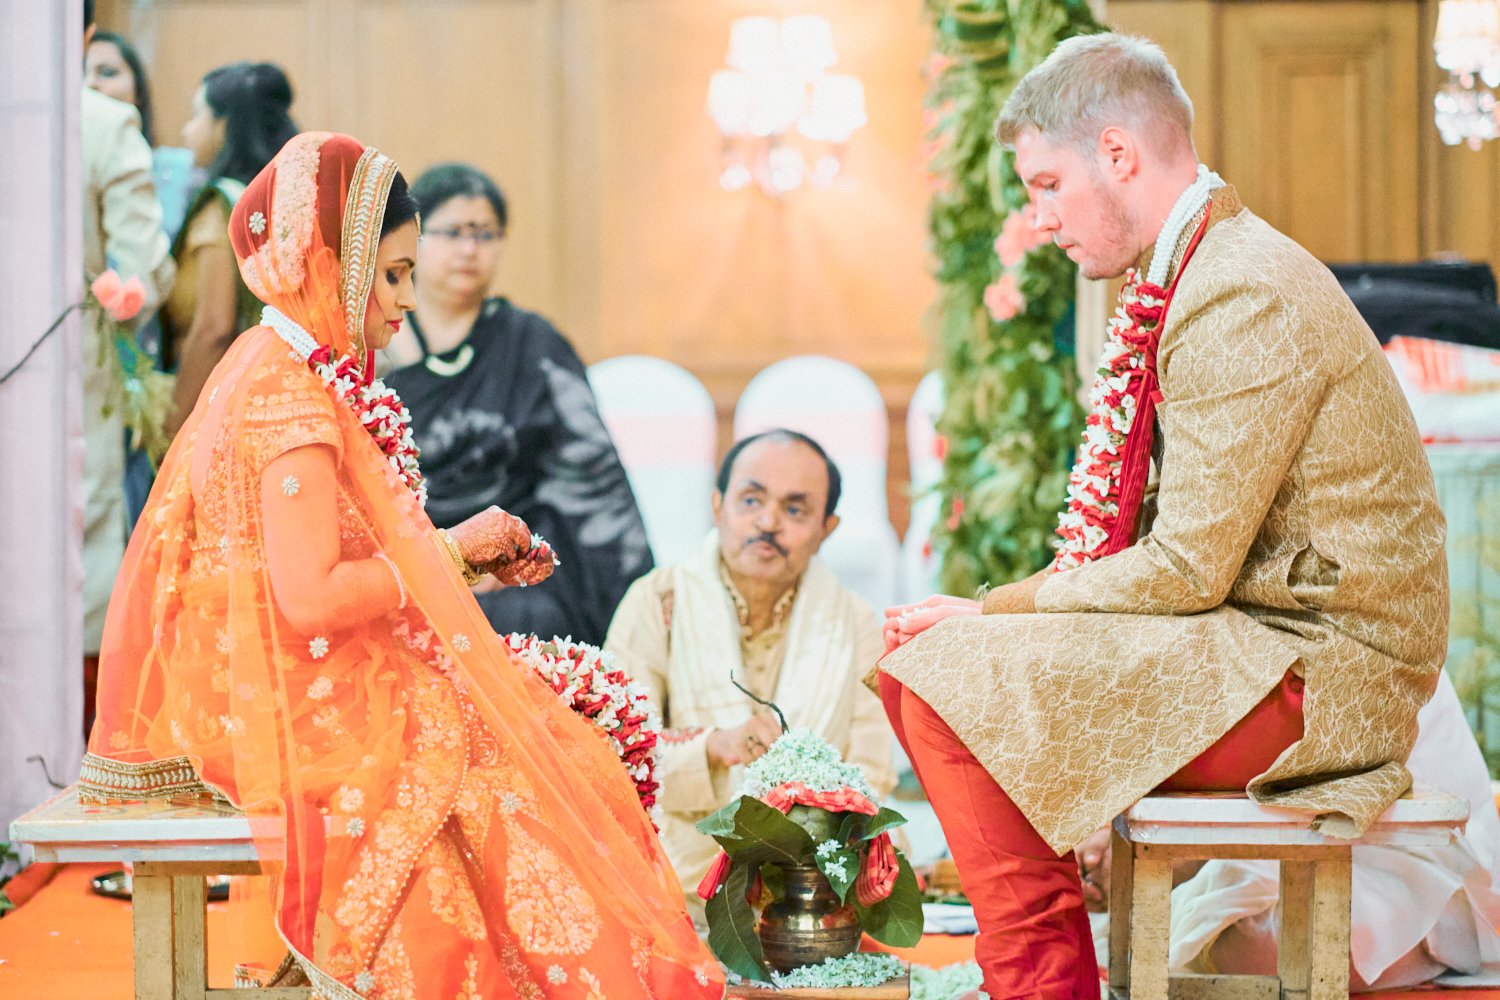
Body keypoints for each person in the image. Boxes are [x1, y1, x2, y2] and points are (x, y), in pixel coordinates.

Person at [79, 132, 724, 997]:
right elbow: (311, 601)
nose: (407, 300)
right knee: (510, 769)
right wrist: (451, 552)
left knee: (536, 728)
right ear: (332, 266)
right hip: (288, 689)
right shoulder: (289, 400)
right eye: (392, 275)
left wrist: (463, 564)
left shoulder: (272, 363)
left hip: (282, 667)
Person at [879, 33, 1447, 998]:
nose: (1040, 219)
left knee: (940, 681)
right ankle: (1045, 973)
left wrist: (994, 612)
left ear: (1118, 154)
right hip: (1263, 640)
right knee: (924, 669)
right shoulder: (1198, 268)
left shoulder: (1236, 289)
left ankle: (1043, 984)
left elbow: (1186, 568)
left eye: (1048, 185)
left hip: (1324, 673)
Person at [605, 429, 896, 923]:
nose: (768, 522)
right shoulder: (656, 602)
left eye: (795, 510)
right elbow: (614, 753)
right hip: (670, 883)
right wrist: (712, 748)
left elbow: (872, 775)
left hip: (815, 895)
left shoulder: (855, 624)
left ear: (827, 528)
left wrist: (809, 809)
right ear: (717, 506)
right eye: (751, 500)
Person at [1076, 669, 1500, 987]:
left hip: (1415, 862)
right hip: (1287, 836)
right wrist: (1109, 828)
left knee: (1239, 939)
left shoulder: (1343, 618)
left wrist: (1158, 853)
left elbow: (1285, 772)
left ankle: (1433, 942)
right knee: (1134, 925)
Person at [382, 163, 651, 646]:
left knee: (532, 618)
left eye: (485, 234)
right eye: (454, 232)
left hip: (511, 568)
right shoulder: (377, 342)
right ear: (414, 239)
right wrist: (446, 559)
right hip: (405, 560)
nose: (470, 249)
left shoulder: (532, 345)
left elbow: (589, 474)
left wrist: (508, 558)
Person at [81, 0, 175, 731]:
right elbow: (145, 270)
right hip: (66, 363)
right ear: (81, 31)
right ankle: (75, 743)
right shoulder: (102, 123)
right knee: (84, 524)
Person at [160, 62, 297, 442]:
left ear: (224, 125)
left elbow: (213, 330)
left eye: (197, 114)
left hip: (220, 415)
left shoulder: (222, 209)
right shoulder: (283, 202)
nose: (188, 130)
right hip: (277, 406)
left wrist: (171, 431)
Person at [84, 30, 197, 241]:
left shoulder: (181, 170)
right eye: (80, 74)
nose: (90, 83)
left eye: (107, 73)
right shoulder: (64, 175)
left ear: (138, 91)